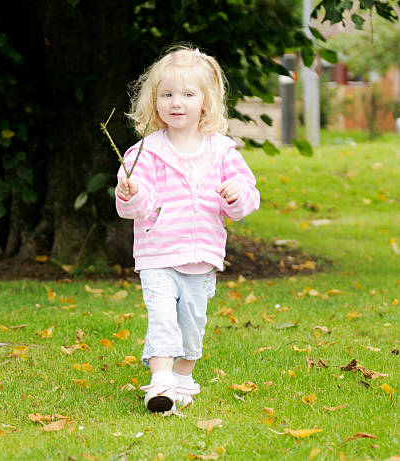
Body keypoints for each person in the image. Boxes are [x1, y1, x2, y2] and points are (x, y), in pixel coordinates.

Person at [115, 44, 260, 413]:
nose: (176, 102)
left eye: (187, 94)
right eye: (166, 94)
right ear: (154, 101)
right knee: (162, 317)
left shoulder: (222, 150)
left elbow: (247, 197)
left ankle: (182, 376)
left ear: (205, 102)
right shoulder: (143, 153)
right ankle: (160, 381)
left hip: (202, 256)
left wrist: (235, 194)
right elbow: (134, 206)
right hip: (159, 254)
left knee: (192, 323)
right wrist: (132, 193)